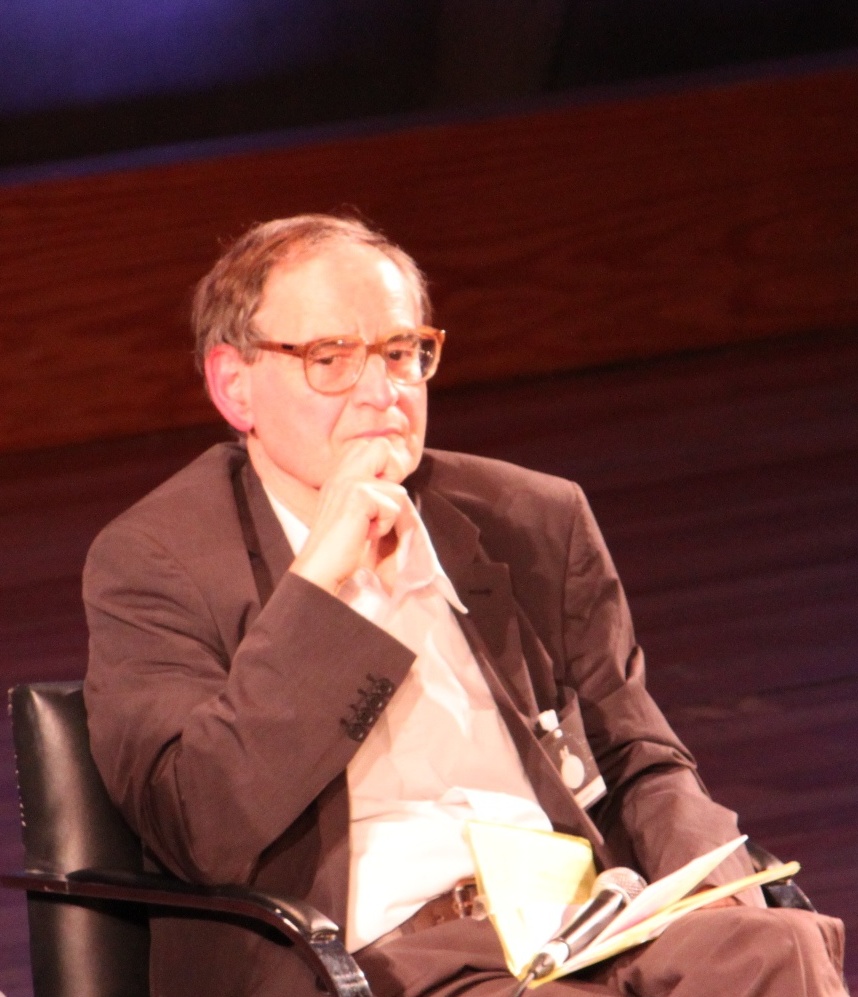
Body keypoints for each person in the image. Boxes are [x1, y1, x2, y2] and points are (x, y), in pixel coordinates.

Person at [83, 214, 847, 997]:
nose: (383, 392)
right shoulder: (157, 560)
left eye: (401, 351)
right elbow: (204, 824)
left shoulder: (531, 518)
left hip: (585, 922)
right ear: (233, 384)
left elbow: (641, 760)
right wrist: (321, 584)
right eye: (330, 358)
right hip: (385, 960)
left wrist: (722, 900)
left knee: (779, 950)